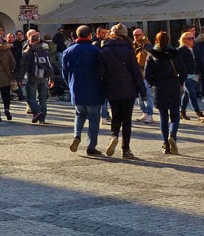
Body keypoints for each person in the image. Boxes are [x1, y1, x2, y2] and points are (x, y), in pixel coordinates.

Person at [96, 23, 146, 159]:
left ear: (111, 34)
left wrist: (103, 85)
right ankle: (126, 150)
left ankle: (113, 136)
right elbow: (135, 71)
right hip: (128, 88)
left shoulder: (104, 49)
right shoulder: (129, 49)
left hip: (112, 88)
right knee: (127, 120)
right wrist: (143, 91)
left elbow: (100, 72)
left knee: (116, 116)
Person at [63, 25, 105, 156]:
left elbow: (65, 72)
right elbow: (102, 71)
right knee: (93, 118)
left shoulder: (68, 51)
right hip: (94, 88)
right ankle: (91, 146)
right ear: (90, 35)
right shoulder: (95, 51)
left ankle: (77, 136)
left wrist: (70, 85)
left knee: (79, 114)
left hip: (76, 88)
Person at [144, 31, 185, 154]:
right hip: (173, 86)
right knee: (175, 115)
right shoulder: (175, 54)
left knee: (163, 116)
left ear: (156, 40)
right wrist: (180, 82)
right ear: (168, 40)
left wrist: (153, 83)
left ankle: (165, 144)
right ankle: (172, 135)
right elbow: (183, 71)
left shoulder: (151, 55)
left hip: (159, 87)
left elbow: (146, 74)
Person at [18, 29, 53, 124]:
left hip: (32, 76)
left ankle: (37, 112)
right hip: (44, 77)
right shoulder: (44, 49)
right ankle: (42, 118)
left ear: (29, 40)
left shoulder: (28, 51)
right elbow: (49, 64)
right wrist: (51, 78)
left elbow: (23, 66)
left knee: (30, 97)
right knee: (43, 99)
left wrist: (20, 79)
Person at [178, 31, 204, 122]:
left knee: (187, 95)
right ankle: (199, 114)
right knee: (192, 94)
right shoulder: (180, 50)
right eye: (189, 38)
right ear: (184, 40)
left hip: (196, 75)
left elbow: (200, 61)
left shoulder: (195, 48)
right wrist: (181, 75)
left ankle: (182, 111)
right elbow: (179, 64)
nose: (192, 40)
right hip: (186, 76)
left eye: (192, 38)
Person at [131, 28, 154, 123]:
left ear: (143, 35)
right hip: (136, 74)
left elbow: (151, 60)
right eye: (134, 35)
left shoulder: (147, 46)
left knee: (147, 95)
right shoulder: (133, 45)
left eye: (138, 35)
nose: (136, 37)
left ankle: (150, 114)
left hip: (145, 74)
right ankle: (144, 112)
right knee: (139, 96)